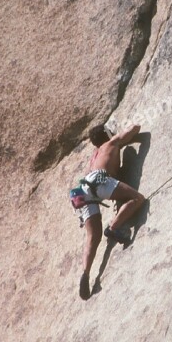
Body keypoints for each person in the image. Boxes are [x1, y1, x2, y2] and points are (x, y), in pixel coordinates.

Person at [70, 124, 145, 300]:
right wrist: (122, 136)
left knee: (92, 237)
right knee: (137, 199)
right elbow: (135, 128)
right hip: (100, 180)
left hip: (80, 190)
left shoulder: (95, 156)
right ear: (107, 134)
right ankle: (114, 227)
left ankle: (86, 273)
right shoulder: (111, 143)